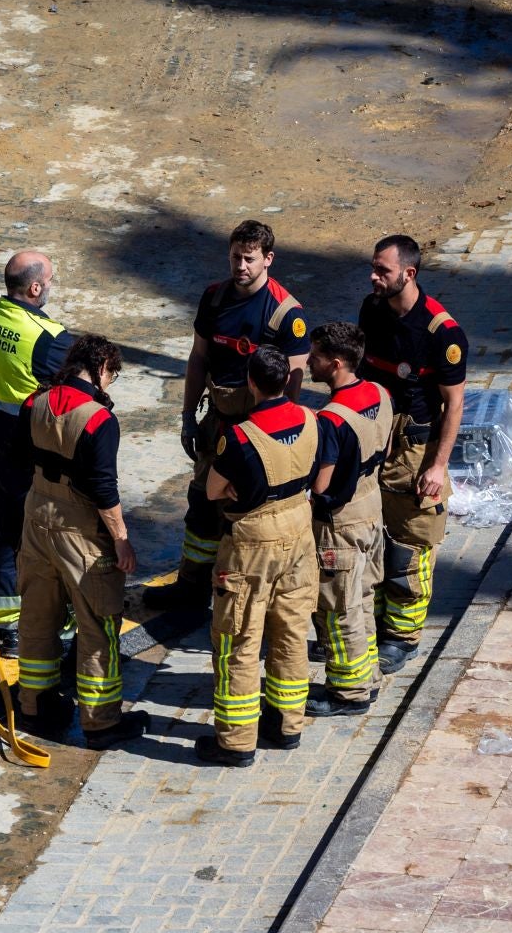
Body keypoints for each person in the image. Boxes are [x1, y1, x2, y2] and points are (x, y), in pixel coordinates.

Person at [147, 220, 311, 613]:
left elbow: (293, 387)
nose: (241, 266)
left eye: (249, 259)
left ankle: (246, 594)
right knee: (202, 502)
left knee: (248, 510)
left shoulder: (287, 315)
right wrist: (188, 415)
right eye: (236, 257)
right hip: (217, 423)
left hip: (258, 431)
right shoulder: (214, 299)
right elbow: (198, 357)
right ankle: (191, 586)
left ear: (268, 259)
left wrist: (271, 444)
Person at [12, 333, 150, 750]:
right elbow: (104, 488)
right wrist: (122, 540)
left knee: (38, 615)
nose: (110, 384)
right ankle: (101, 721)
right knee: (97, 623)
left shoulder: (34, 402)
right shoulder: (98, 420)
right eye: (113, 375)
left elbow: (20, 457)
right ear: (103, 367)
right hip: (80, 531)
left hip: (36, 517)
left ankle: (34, 705)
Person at [195, 347, 319, 767]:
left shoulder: (241, 436)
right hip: (300, 531)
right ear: (286, 380)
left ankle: (235, 741)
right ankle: (287, 725)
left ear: (251, 383)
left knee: (239, 641)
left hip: (251, 544)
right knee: (290, 632)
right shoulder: (310, 419)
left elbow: (213, 490)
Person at [359, 234, 467, 673]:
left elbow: (454, 404)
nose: (374, 277)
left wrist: (438, 466)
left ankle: (403, 638)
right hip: (376, 434)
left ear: (409, 274)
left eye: (382, 270)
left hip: (416, 446)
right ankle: (377, 626)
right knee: (374, 541)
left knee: (411, 546)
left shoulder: (442, 333)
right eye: (373, 267)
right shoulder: (372, 310)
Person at [0, 250, 73, 656]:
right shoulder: (46, 337)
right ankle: (62, 631)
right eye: (48, 280)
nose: (49, 286)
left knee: (9, 539)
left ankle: (8, 631)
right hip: (35, 457)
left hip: (0, 454)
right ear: (35, 287)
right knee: (58, 543)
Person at [305, 322, 393, 716]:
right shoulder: (380, 393)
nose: (309, 361)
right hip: (372, 507)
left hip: (340, 525)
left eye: (316, 356)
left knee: (338, 609)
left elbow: (322, 483)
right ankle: (367, 677)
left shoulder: (331, 419)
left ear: (336, 363)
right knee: (362, 599)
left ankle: (348, 692)